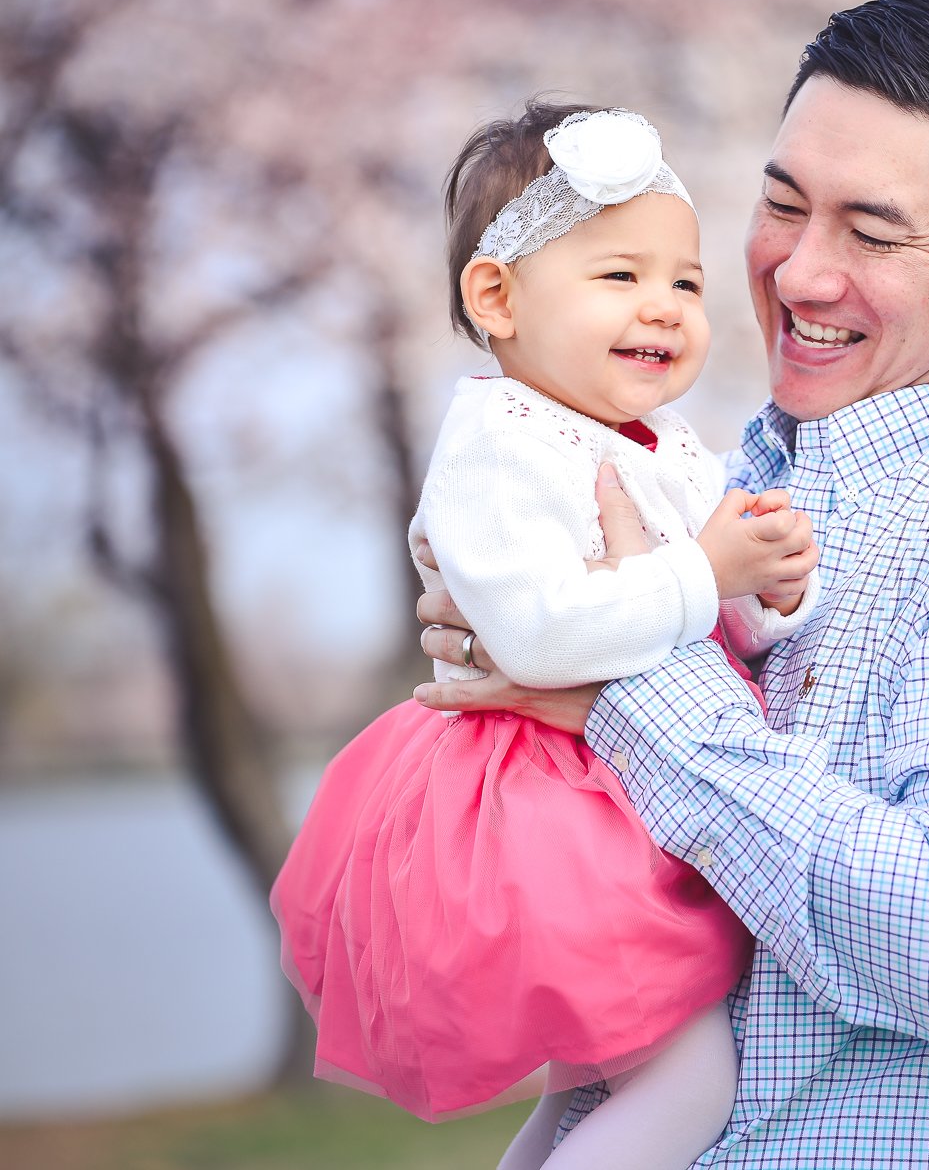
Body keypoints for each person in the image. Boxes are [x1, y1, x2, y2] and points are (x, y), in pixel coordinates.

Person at [412, 0, 929, 1168]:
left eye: (872, 232)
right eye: (780, 204)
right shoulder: (720, 466)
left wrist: (621, 682)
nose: (798, 273)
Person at [269, 104, 820, 1170]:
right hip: (540, 811)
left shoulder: (656, 441)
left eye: (686, 282)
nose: (662, 307)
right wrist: (704, 571)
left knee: (599, 1084)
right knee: (690, 1077)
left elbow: (705, 605)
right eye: (619, 276)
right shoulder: (499, 443)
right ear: (497, 296)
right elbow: (542, 633)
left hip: (613, 795)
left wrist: (766, 585)